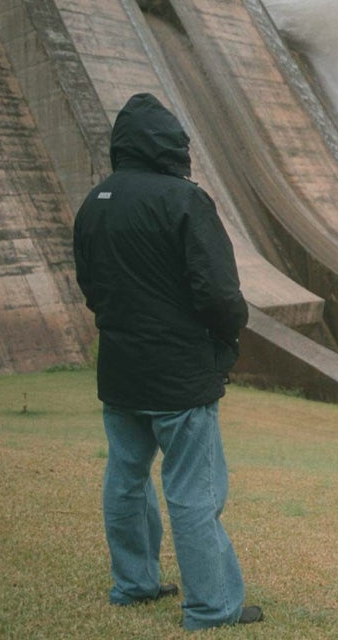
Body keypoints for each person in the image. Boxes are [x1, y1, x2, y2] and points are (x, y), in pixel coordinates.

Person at [73, 92, 262, 630]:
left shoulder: (95, 202)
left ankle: (135, 583)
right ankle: (212, 606)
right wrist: (226, 341)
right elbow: (220, 294)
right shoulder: (184, 201)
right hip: (180, 376)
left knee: (126, 478)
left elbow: (91, 287)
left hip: (121, 371)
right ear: (171, 145)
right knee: (193, 493)